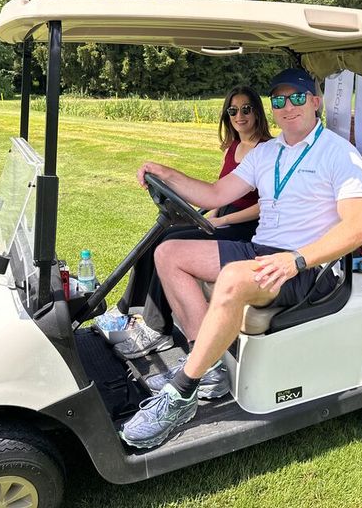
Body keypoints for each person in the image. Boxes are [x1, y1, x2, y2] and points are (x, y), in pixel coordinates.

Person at [120, 67, 362, 449]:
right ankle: (208, 367)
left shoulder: (339, 154)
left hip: (306, 269)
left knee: (234, 278)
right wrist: (166, 173)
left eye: (297, 97)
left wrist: (296, 260)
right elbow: (214, 194)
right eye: (279, 100)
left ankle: (181, 394)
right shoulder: (267, 153)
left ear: (315, 102)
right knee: (169, 252)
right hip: (262, 252)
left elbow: (358, 228)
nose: (288, 107)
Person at [113, 85, 272, 359]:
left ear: (257, 111)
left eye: (246, 109)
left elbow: (262, 206)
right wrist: (212, 215)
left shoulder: (267, 150)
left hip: (246, 225)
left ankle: (157, 330)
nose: (239, 116)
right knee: (159, 234)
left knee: (171, 242)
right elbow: (221, 188)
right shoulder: (233, 146)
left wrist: (223, 219)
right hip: (225, 214)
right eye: (233, 111)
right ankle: (130, 309)